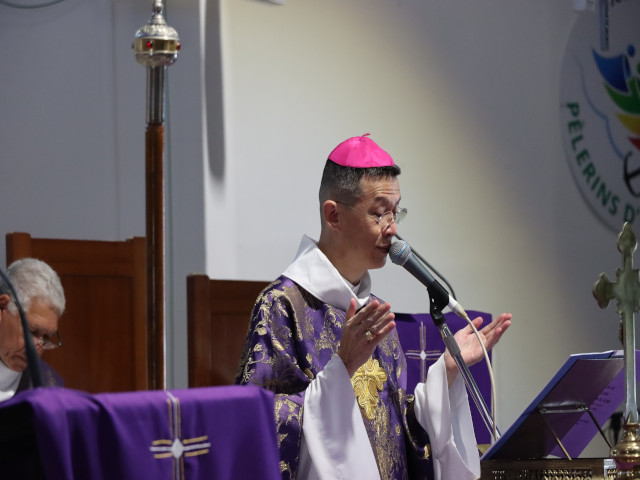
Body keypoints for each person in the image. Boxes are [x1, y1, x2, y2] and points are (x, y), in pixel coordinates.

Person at [235, 134, 512, 480]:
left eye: (396, 212)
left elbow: (393, 436)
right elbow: (256, 427)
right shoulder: (281, 307)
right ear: (334, 215)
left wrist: (447, 372)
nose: (393, 230)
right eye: (380, 214)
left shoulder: (374, 311)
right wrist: (342, 369)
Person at [0, 258, 65, 401]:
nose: (37, 348)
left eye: (46, 337)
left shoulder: (49, 389)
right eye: (31, 331)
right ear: (2, 307)